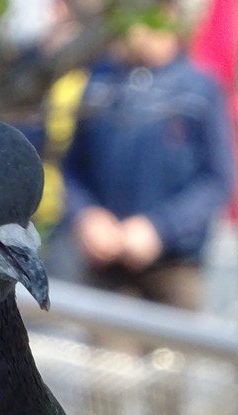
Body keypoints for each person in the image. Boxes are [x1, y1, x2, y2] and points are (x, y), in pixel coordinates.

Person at [58, 0, 235, 310]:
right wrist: (86, 216)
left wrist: (160, 228)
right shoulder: (99, 82)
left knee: (174, 353)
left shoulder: (199, 89)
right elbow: (72, 168)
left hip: (174, 267)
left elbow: (217, 179)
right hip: (104, 263)